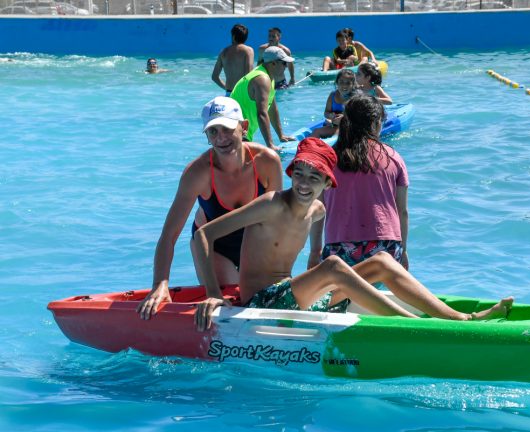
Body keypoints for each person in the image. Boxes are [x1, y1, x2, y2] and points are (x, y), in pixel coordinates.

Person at [192, 138, 513, 331]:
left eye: (314, 177)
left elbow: (315, 259)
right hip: (261, 301)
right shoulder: (270, 204)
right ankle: (415, 328)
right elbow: (202, 236)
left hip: (294, 297)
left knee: (384, 260)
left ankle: (461, 319)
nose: (304, 184)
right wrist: (212, 292)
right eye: (299, 175)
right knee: (335, 268)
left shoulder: (318, 211)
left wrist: (320, 294)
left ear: (328, 184)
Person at [137, 97, 283, 320]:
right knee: (227, 307)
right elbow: (169, 235)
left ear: (243, 127)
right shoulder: (197, 173)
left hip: (255, 244)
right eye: (212, 132)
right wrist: (160, 284)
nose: (221, 138)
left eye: (226, 128)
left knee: (266, 300)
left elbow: (279, 221)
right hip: (213, 246)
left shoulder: (267, 161)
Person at [308, 94, 406, 273]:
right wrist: (404, 251)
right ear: (376, 124)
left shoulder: (329, 159)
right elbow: (402, 212)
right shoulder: (394, 157)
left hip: (339, 249)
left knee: (342, 296)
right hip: (386, 247)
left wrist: (315, 251)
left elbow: (317, 208)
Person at [231, 46, 296, 153]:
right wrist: (270, 145)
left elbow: (272, 108)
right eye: (284, 63)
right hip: (235, 133)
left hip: (241, 132)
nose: (286, 66)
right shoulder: (262, 79)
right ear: (273, 63)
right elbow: (262, 113)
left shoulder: (269, 77)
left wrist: (281, 135)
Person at [310, 69, 359, 139]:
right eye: (341, 82)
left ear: (353, 85)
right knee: (316, 131)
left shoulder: (355, 98)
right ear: (337, 82)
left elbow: (358, 117)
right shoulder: (332, 95)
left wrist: (344, 119)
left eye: (348, 83)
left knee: (335, 134)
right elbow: (326, 112)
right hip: (334, 126)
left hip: (349, 128)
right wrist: (330, 116)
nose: (344, 85)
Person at [211, 24, 255, 96]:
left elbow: (214, 77)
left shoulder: (223, 52)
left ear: (233, 36)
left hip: (229, 93)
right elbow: (249, 74)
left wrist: (226, 87)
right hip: (242, 93)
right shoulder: (248, 51)